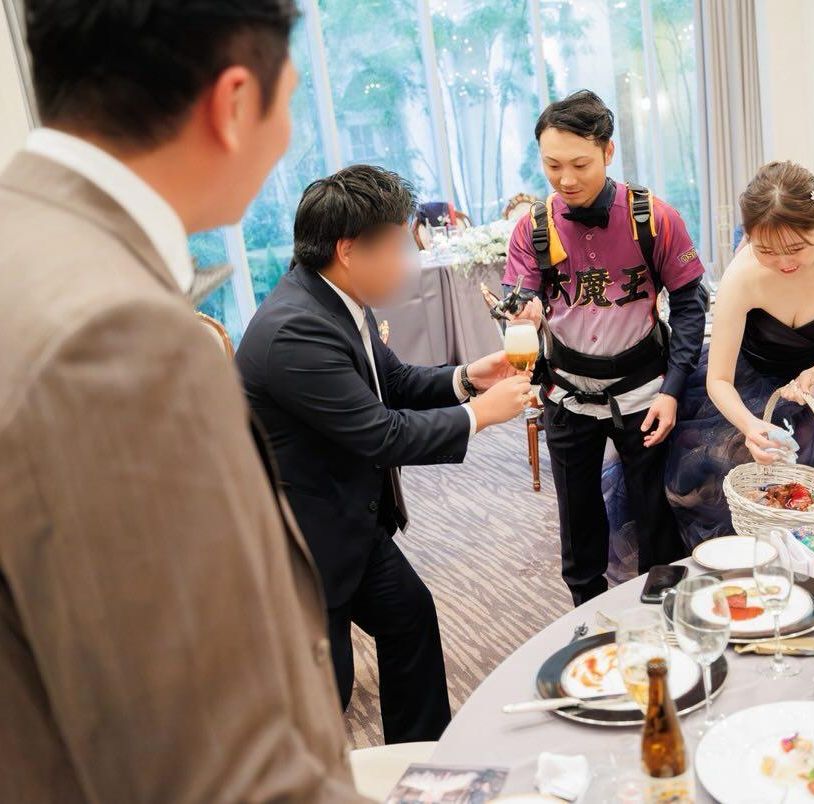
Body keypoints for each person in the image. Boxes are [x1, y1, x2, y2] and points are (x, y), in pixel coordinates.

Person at [0, 1, 369, 800]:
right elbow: (215, 769)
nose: (288, 135)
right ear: (233, 103)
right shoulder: (115, 336)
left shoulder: (22, 238)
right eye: (290, 99)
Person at [236, 165, 531, 742]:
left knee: (409, 618)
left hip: (348, 518)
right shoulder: (294, 331)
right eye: (398, 246)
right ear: (349, 250)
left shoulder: (337, 299)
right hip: (302, 542)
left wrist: (469, 377)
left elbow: (391, 381)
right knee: (326, 697)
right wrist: (481, 414)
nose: (408, 260)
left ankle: (422, 762)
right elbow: (382, 434)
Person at [504, 90, 707, 605]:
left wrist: (673, 390)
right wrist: (521, 309)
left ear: (608, 151)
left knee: (653, 512)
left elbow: (689, 307)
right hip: (567, 392)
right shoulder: (534, 227)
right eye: (552, 165)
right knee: (577, 521)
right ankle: (587, 616)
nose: (566, 179)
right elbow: (519, 294)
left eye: (580, 164)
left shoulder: (653, 218)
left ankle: (663, 610)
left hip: (644, 391)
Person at [666, 162, 814, 543]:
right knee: (735, 486)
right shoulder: (743, 274)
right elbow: (718, 378)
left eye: (797, 248)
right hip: (747, 382)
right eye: (766, 250)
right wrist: (749, 426)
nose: (784, 262)